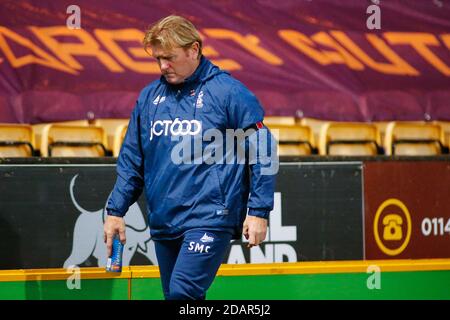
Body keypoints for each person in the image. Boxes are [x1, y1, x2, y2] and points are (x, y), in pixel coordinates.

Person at [103, 15, 277, 300]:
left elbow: (264, 147)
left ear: (193, 49)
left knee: (183, 294)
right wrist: (115, 211)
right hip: (163, 219)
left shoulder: (228, 92)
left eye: (169, 58)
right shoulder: (149, 98)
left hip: (210, 217)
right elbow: (132, 161)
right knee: (177, 296)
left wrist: (258, 211)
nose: (162, 66)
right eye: (158, 59)